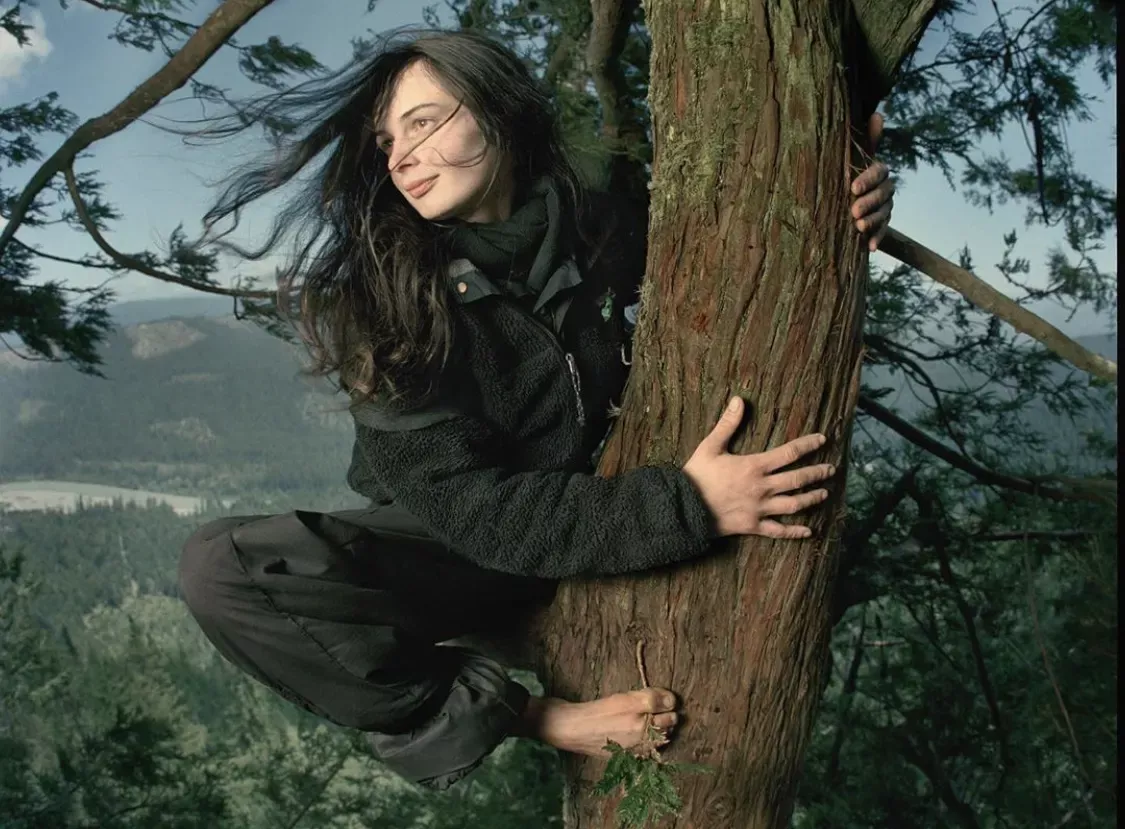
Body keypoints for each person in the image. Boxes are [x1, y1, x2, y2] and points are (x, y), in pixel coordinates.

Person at [178, 28, 896, 791]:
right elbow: (476, 513)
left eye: (422, 122)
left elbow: (744, 239)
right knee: (222, 569)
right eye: (387, 141)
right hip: (461, 547)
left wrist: (844, 200)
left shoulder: (603, 218)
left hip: (586, 504)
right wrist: (688, 505)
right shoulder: (384, 301)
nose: (401, 158)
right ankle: (537, 716)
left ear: (496, 109)